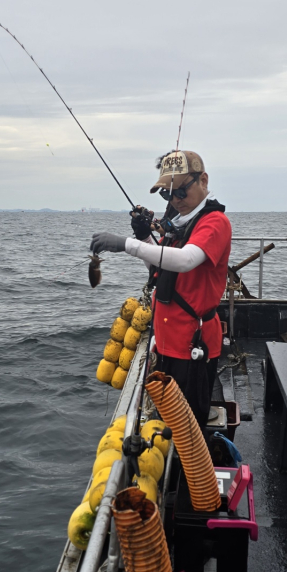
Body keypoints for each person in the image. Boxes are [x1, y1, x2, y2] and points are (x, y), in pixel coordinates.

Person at [90, 150, 232, 427]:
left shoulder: (214, 222)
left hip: (193, 343)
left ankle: (191, 469)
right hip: (166, 339)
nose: (175, 200)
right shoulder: (179, 225)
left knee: (188, 425)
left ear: (203, 180)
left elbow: (186, 260)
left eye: (180, 191)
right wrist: (143, 235)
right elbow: (160, 271)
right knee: (166, 420)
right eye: (167, 195)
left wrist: (127, 245)